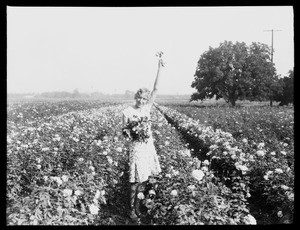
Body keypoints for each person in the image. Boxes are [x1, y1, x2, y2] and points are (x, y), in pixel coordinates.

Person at [122, 56, 164, 220]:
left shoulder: (147, 109)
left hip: (147, 146)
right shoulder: (127, 112)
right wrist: (132, 132)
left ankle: (141, 206)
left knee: (145, 178)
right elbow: (124, 132)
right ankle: (131, 210)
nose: (141, 100)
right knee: (134, 180)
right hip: (136, 147)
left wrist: (159, 68)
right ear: (135, 97)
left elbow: (156, 89)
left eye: (144, 99)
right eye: (139, 98)